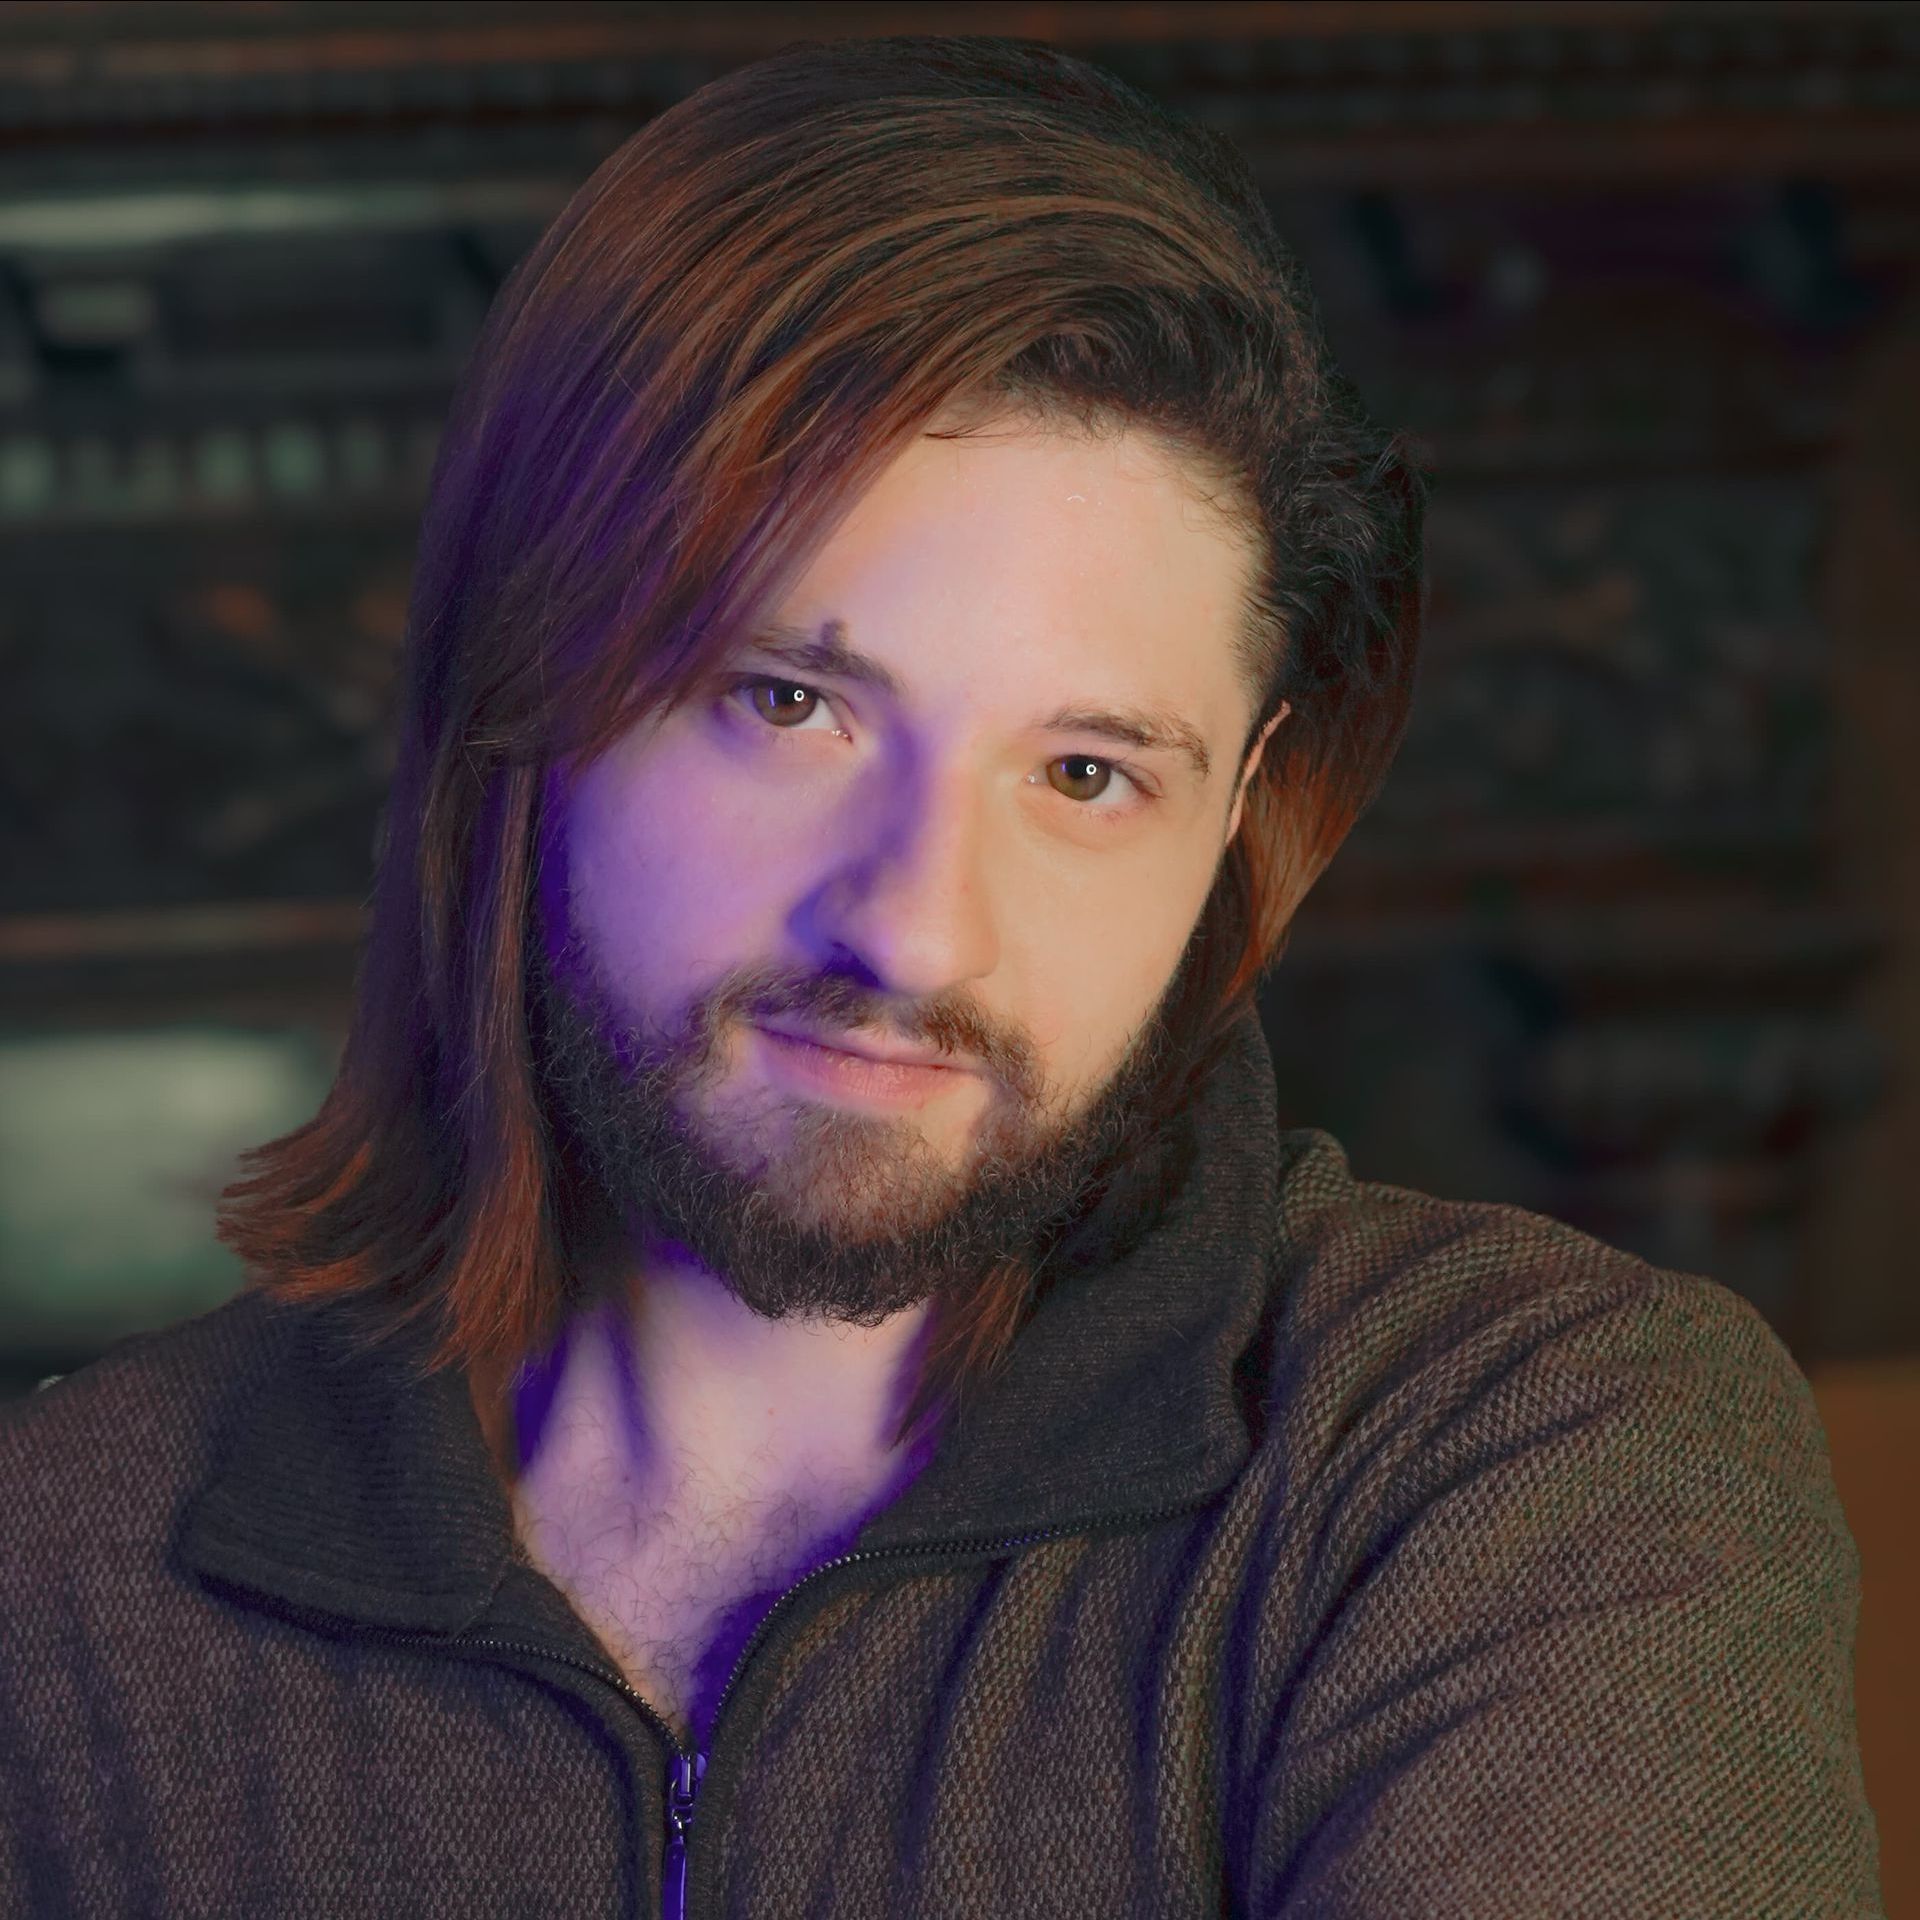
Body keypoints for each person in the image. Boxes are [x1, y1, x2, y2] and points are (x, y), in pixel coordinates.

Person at [2, 33, 1883, 1920]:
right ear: (532, 689)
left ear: (1236, 810)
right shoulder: (59, 1583)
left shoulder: (1517, 1458)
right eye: (791, 704)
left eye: (1085, 775)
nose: (913, 932)